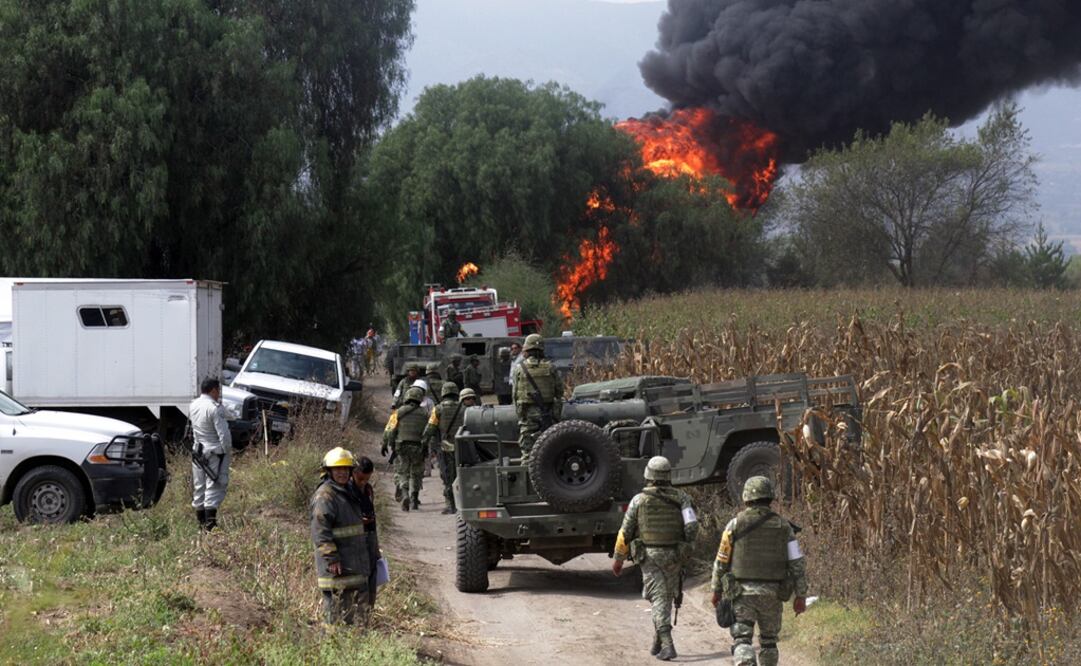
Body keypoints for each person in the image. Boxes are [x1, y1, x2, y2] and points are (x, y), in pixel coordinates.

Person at [711, 476, 808, 666]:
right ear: (770, 498)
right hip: (772, 594)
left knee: (742, 639)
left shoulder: (734, 524)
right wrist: (801, 595)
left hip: (741, 593)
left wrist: (716, 590)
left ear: (746, 497)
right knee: (769, 642)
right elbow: (797, 563)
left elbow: (721, 561)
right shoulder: (784, 527)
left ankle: (745, 661)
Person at [612, 456, 699, 661]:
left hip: (649, 556)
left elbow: (626, 531)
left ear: (648, 475)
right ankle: (658, 640)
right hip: (674, 555)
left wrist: (618, 558)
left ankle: (667, 645)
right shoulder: (683, 498)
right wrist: (686, 547)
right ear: (668, 475)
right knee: (664, 596)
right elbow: (692, 527)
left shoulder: (638, 500)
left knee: (659, 597)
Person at [310, 447, 373, 626]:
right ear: (329, 471)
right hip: (336, 568)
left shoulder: (346, 492)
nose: (343, 473)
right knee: (334, 618)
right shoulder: (326, 496)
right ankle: (330, 649)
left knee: (351, 620)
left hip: (351, 566)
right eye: (338, 469)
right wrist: (331, 557)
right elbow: (320, 530)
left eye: (346, 469)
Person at [423, 383, 477, 514]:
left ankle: (451, 505)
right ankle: (465, 504)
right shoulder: (465, 409)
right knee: (463, 475)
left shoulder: (438, 409)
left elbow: (430, 428)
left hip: (445, 448)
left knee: (447, 477)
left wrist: (424, 442)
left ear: (443, 393)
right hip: (463, 447)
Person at [511, 334, 563, 460]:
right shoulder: (551, 367)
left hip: (527, 416)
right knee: (550, 451)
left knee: (528, 454)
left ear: (527, 350)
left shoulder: (519, 369)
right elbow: (559, 392)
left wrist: (520, 415)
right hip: (548, 414)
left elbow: (515, 395)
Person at [190, 377, 232, 531]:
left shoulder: (193, 405)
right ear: (213, 390)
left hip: (198, 452)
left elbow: (194, 431)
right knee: (214, 488)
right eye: (218, 391)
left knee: (199, 488)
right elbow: (224, 436)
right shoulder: (215, 408)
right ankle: (211, 527)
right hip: (215, 453)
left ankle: (201, 526)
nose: (218, 394)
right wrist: (227, 451)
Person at [382, 386, 430, 511]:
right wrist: (428, 447)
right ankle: (414, 499)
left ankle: (404, 494)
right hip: (418, 447)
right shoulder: (425, 413)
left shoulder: (398, 412)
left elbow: (389, 430)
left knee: (402, 472)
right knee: (416, 473)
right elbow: (429, 431)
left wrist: (385, 444)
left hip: (402, 447)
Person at [350, 456, 382, 609]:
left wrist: (376, 547)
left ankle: (369, 610)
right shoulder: (346, 490)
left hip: (370, 537)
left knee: (372, 576)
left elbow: (373, 516)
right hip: (355, 541)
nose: (363, 482)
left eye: (367, 479)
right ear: (354, 473)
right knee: (359, 579)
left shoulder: (368, 489)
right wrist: (358, 521)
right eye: (360, 478)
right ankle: (359, 613)